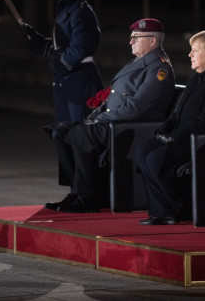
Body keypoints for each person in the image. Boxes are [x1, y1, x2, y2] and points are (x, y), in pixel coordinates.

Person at [44, 18, 176, 213]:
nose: (131, 41)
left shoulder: (159, 69)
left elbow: (137, 108)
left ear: (153, 41)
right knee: (59, 132)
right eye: (131, 37)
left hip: (132, 128)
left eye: (136, 37)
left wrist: (99, 120)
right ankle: (78, 192)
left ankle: (87, 198)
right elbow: (113, 97)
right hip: (116, 121)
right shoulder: (141, 61)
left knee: (80, 134)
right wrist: (94, 116)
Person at [136, 30, 205, 226]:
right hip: (187, 138)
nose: (189, 54)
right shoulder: (197, 77)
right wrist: (164, 129)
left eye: (194, 50)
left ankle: (178, 207)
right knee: (143, 150)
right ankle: (162, 210)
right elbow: (178, 113)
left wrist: (174, 137)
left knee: (156, 159)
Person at [21, 0, 103, 123]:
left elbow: (81, 47)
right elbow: (63, 46)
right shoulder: (69, 8)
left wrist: (59, 64)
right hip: (68, 81)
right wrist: (38, 42)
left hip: (78, 82)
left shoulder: (81, 12)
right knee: (65, 135)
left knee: (78, 136)